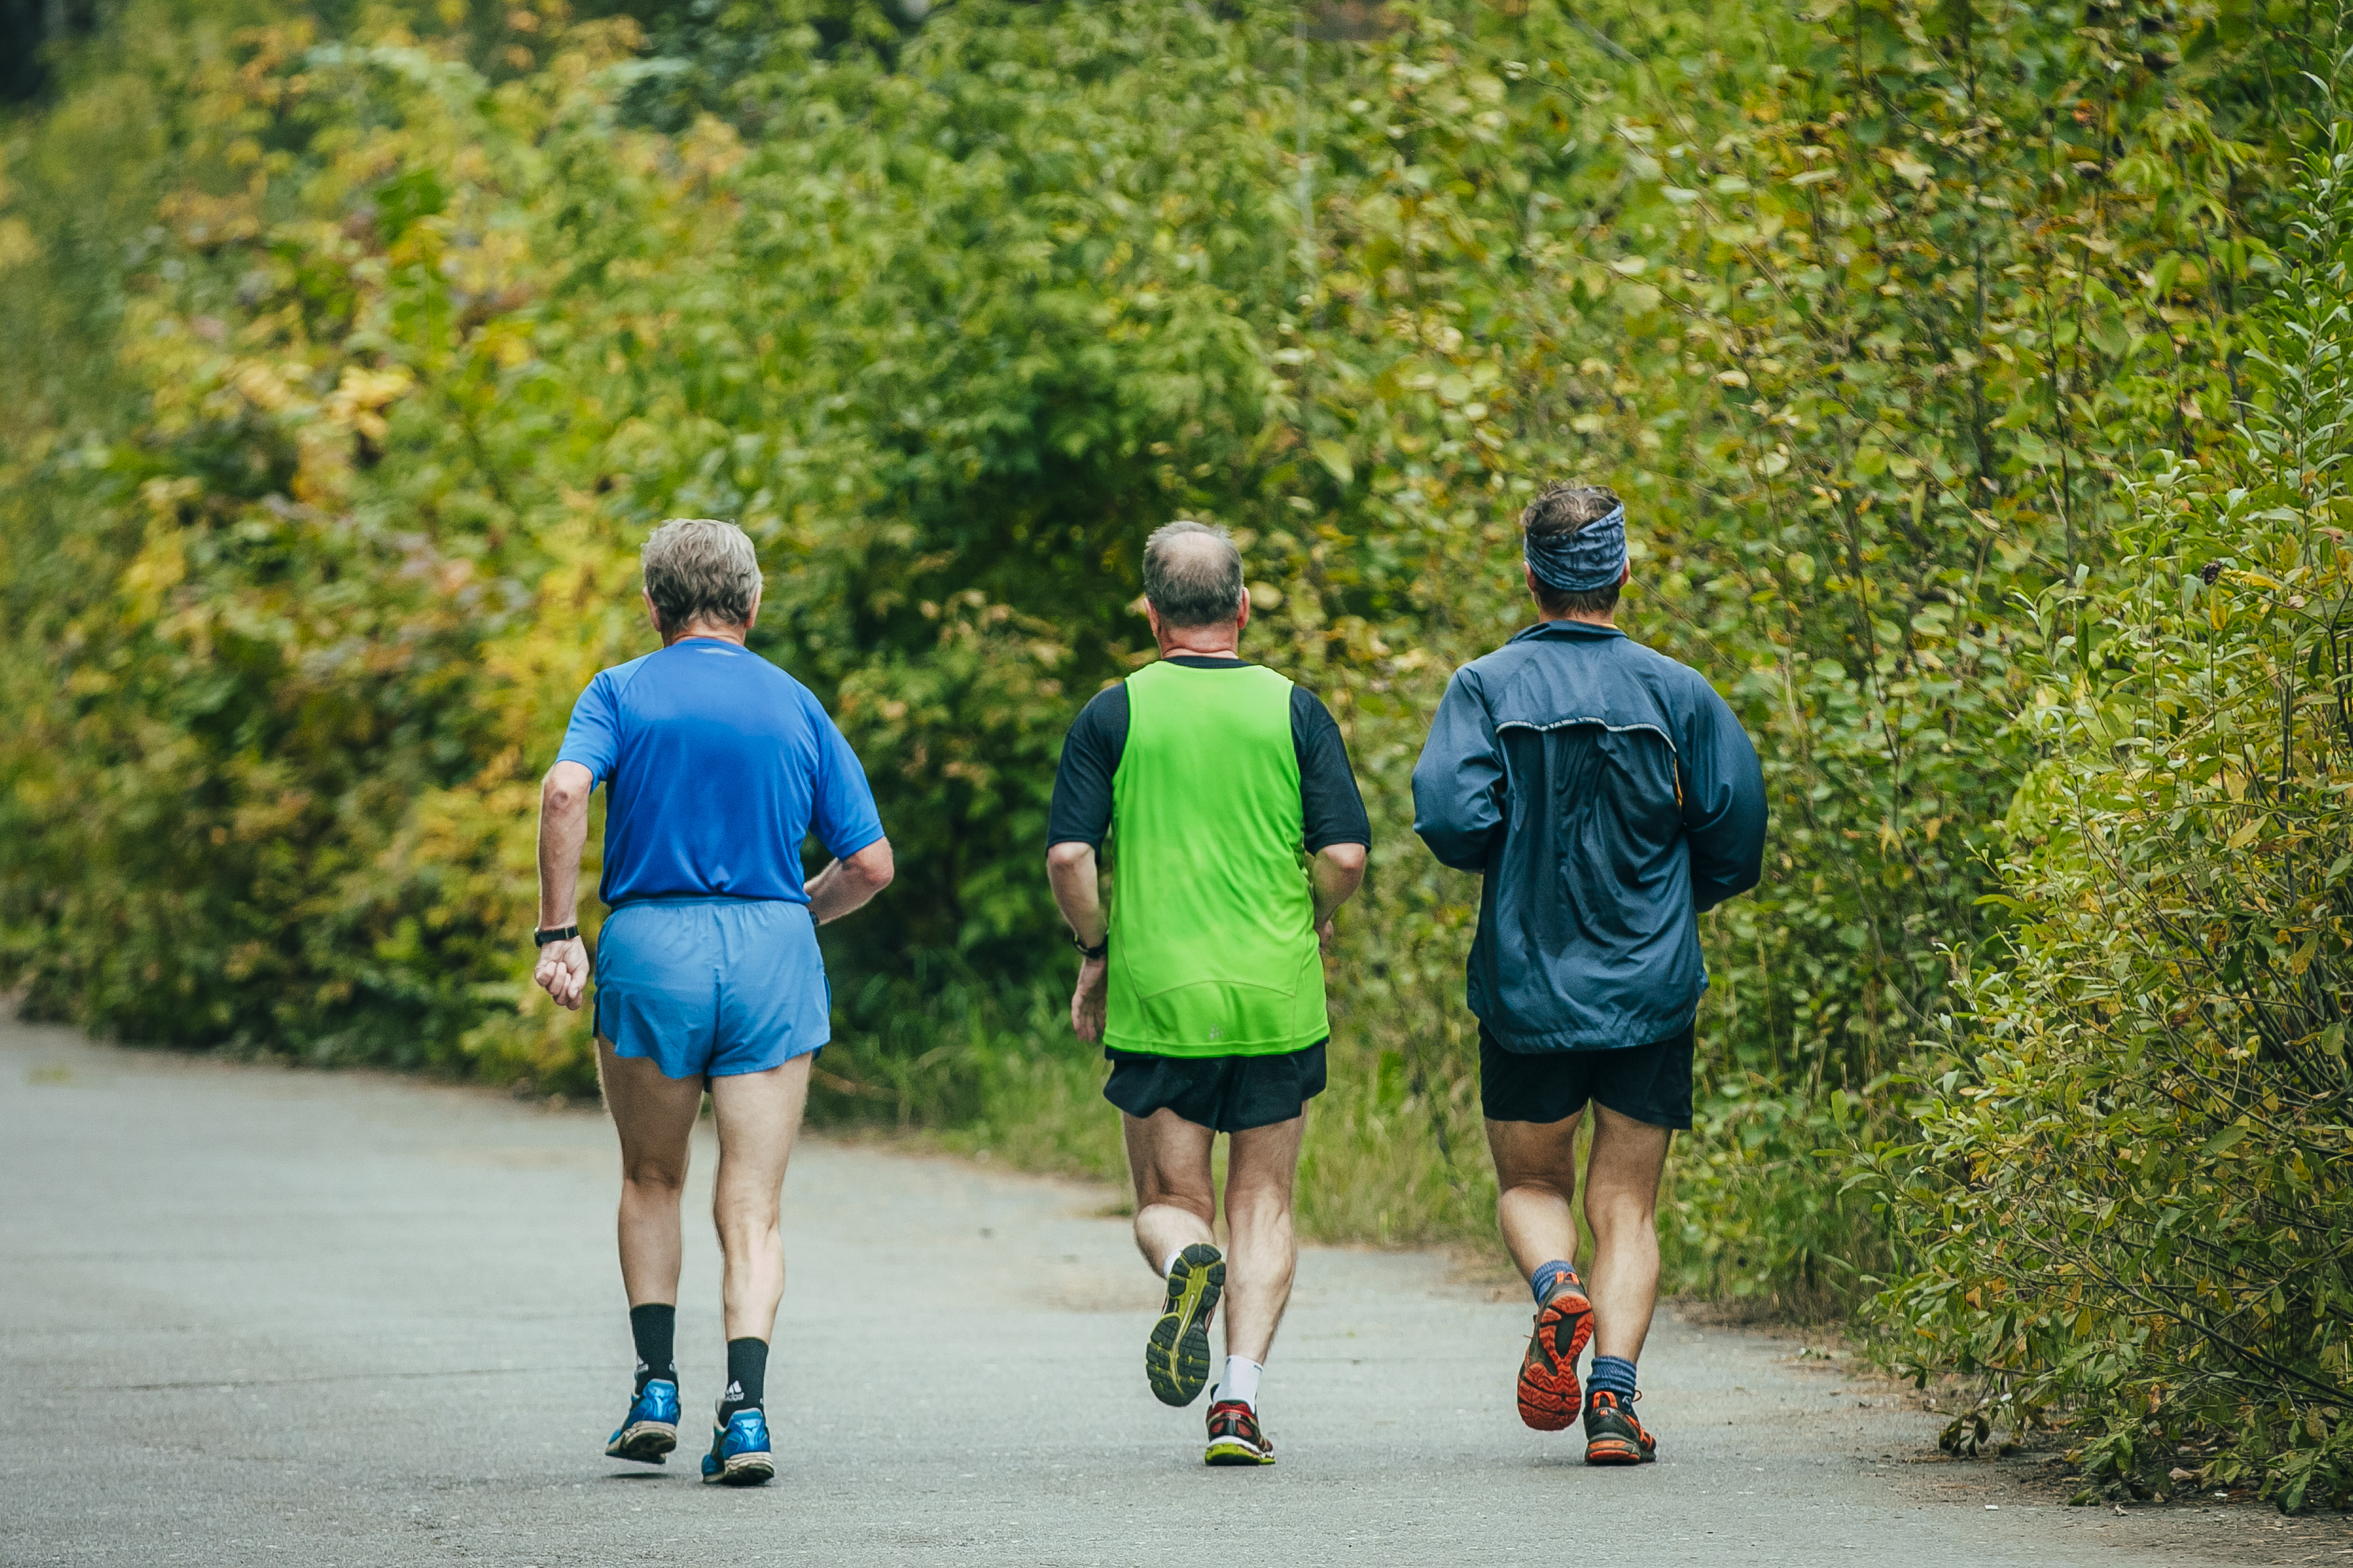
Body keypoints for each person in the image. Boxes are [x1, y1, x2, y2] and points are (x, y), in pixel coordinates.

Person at [532, 517, 894, 1487]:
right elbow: (870, 863)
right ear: (753, 601)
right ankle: (746, 1412)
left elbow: (567, 793)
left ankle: (655, 1388)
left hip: (653, 946)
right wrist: (797, 913)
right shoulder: (798, 704)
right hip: (772, 951)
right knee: (754, 1204)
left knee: (654, 1176)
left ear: (653, 607)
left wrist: (559, 931)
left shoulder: (620, 690)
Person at [1411, 483, 1765, 1466]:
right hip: (1650, 985)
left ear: (1530, 577)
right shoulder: (1680, 692)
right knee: (1630, 1205)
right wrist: (1666, 905)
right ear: (1620, 577)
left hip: (1526, 985)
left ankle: (1554, 1285)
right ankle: (1612, 1405)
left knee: (1532, 1180)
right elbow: (1737, 839)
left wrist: (1510, 849)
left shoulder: (1484, 687)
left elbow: (1449, 819)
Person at [1045, 521, 1370, 1468]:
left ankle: (1188, 1263)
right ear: (1242, 606)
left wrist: (1096, 948)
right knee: (1262, 1200)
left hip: (1162, 997)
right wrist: (1315, 914)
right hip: (1276, 992)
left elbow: (1070, 854)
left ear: (1150, 614)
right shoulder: (1295, 708)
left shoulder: (1114, 713)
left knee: (1168, 1198)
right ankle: (1237, 1402)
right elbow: (1345, 853)